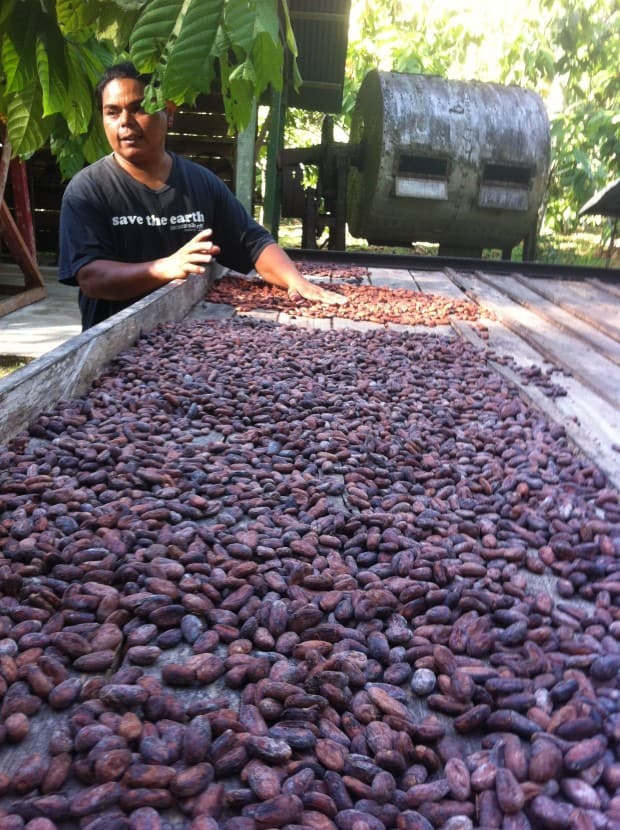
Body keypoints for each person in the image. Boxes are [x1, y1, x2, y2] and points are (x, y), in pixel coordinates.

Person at [58, 62, 346, 330]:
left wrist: (296, 281)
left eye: (138, 108)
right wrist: (164, 268)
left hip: (188, 336)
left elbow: (254, 242)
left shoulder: (201, 183)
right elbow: (91, 277)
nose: (125, 122)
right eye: (112, 112)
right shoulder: (88, 190)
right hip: (116, 348)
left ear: (169, 113)